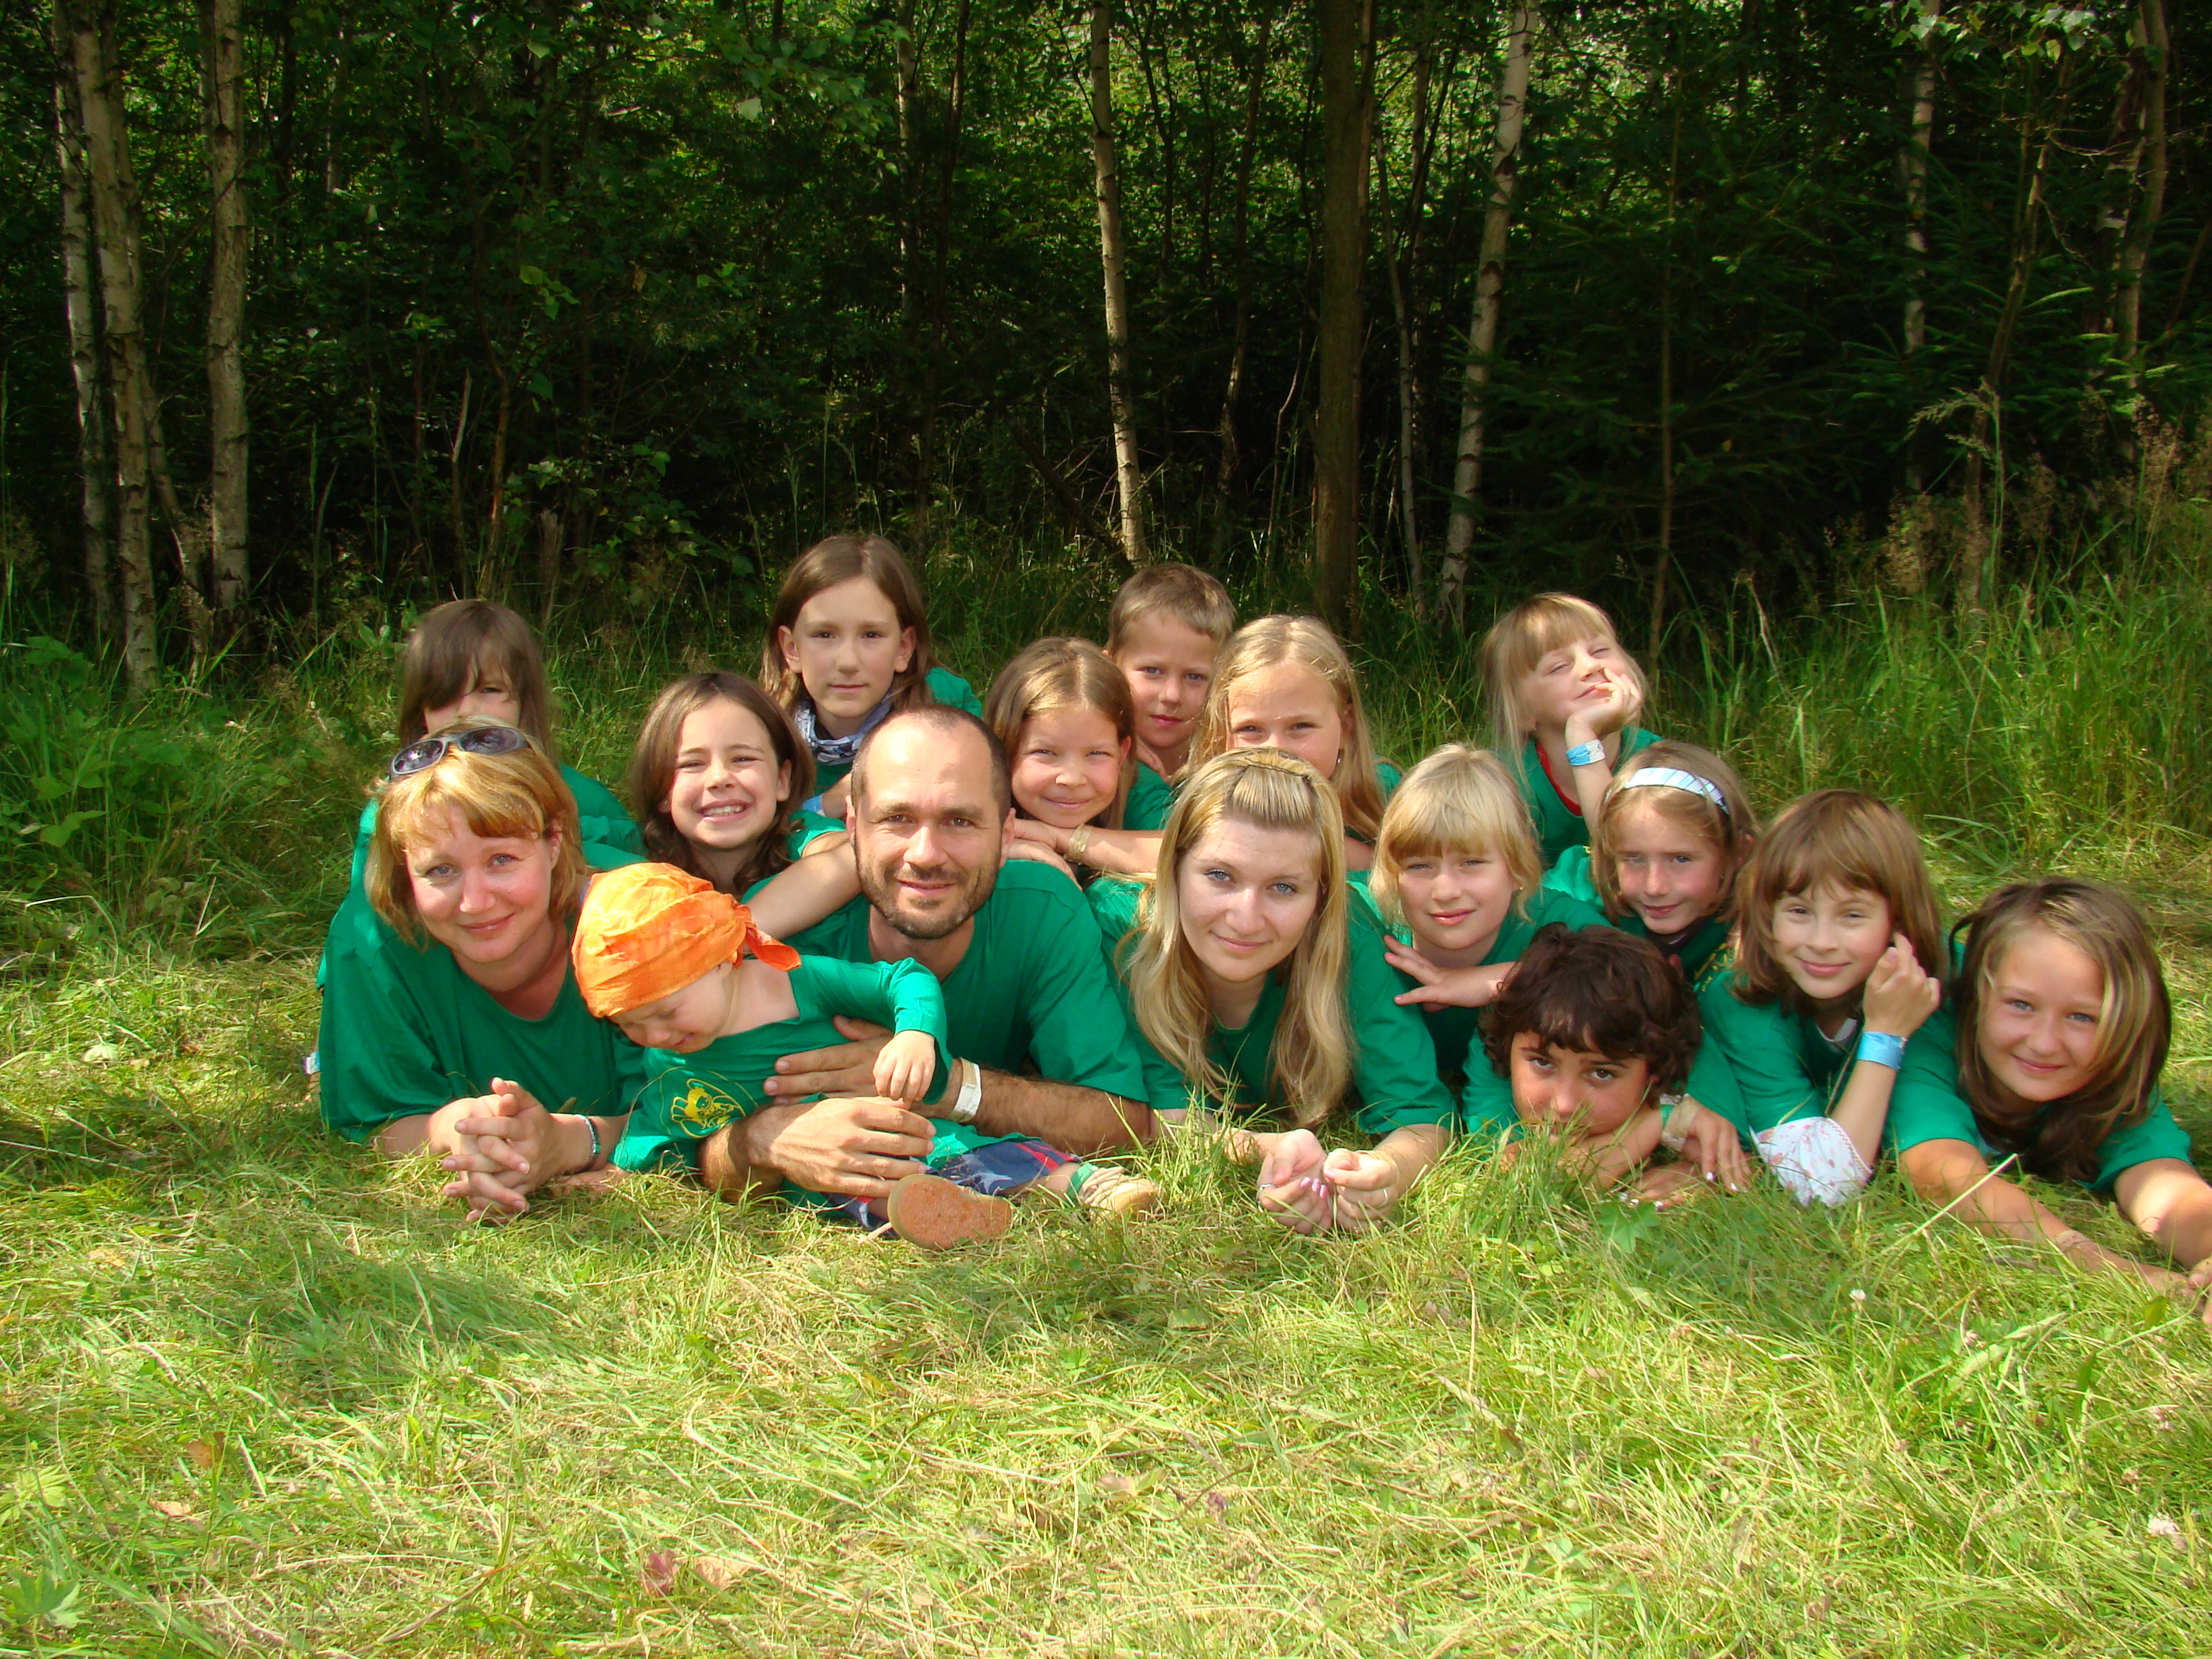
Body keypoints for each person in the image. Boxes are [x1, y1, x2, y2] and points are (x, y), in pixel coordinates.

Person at [678, 705, 1160, 1216]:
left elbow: (1121, 1123)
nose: (925, 854)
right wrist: (764, 1139)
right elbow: (690, 1144)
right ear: (853, 826)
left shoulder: (1042, 910)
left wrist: (948, 1086)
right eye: (897, 819)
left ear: (1006, 835)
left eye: (960, 821)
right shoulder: (779, 938)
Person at [578, 863, 1141, 1245]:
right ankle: (953, 1215)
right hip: (830, 1173)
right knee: (871, 1194)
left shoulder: (795, 980)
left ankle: (1089, 1186)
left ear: (723, 958)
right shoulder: (671, 1065)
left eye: (667, 1012)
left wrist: (915, 1035)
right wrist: (623, 1171)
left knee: (970, 1148)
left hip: (893, 1118)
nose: (653, 1036)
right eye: (630, 1025)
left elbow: (902, 980)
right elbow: (660, 1135)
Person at [1090, 748, 1455, 1235]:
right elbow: (1161, 1117)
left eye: (1283, 888)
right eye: (1220, 876)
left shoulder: (1352, 936)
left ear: (1321, 896)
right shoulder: (1123, 931)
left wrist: (1384, 1172)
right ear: (1173, 868)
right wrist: (1277, 1150)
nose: (1246, 919)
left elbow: (1421, 1117)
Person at [316, 720, 642, 1213]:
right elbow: (376, 1117)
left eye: (502, 859)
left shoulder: (635, 921)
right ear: (404, 870)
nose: (475, 902)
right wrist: (458, 1129)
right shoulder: (370, 944)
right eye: (440, 870)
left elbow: (701, 1105)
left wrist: (570, 1142)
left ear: (554, 842)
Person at [1891, 879, 2212, 1322]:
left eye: (2082, 1017)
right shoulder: (1926, 1026)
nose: (2044, 1043)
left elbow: (2166, 1187)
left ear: (2126, 1025)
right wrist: (2111, 1267)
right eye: (2021, 1005)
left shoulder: (2113, 1073)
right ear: (1978, 994)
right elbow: (1940, 1171)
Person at [1702, 790, 1946, 1204]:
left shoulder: (1937, 978)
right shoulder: (1740, 1001)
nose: (1821, 942)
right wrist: (1886, 1035)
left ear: (1898, 919)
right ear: (1767, 913)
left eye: (1852, 915)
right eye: (1799, 911)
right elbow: (1822, 1187)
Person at [346, 598, 642, 890]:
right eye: (445, 695)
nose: (466, 711)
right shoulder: (391, 808)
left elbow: (644, 877)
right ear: (420, 711)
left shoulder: (586, 797)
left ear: (524, 703)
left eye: (489, 690)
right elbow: (369, 910)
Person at [758, 533, 983, 820]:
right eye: (824, 635)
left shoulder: (948, 709)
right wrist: (828, 803)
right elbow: (752, 828)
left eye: (871, 635)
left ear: (903, 648)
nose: (848, 662)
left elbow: (984, 810)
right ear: (792, 649)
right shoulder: (764, 731)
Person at [1477, 925, 1705, 1197]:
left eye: (1601, 1074)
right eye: (1543, 1063)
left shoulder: (1698, 1082)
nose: (1564, 1105)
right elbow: (1538, 1184)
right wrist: (1657, 1122)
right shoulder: (1492, 1091)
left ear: (1654, 1072)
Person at [1547, 740, 1757, 986]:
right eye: (1634, 858)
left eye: (1681, 859)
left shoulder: (1766, 925)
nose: (1654, 887)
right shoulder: (1581, 885)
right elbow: (1530, 906)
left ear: (1736, 852)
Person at [626, 672, 848, 895]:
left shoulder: (801, 834)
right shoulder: (635, 848)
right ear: (662, 787)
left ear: (782, 780)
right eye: (692, 764)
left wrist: (751, 916)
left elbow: (849, 855)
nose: (719, 778)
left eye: (743, 759)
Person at [1480, 593, 1659, 867]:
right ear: (1522, 712)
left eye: (1600, 651)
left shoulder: (1659, 765)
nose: (1591, 666)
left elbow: (1628, 862)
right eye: (1559, 667)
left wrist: (1582, 737)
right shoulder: (1500, 783)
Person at [983, 638, 1170, 870]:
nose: (1072, 779)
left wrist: (1061, 838)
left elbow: (1194, 854)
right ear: (1003, 749)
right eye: (1045, 752)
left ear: (1122, 753)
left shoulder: (1139, 789)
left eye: (1096, 753)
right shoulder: (969, 795)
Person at [1102, 560, 1235, 785]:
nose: (1172, 695)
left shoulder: (1229, 772)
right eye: (1152, 671)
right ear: (1109, 669)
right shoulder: (1080, 763)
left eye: (1194, 676)